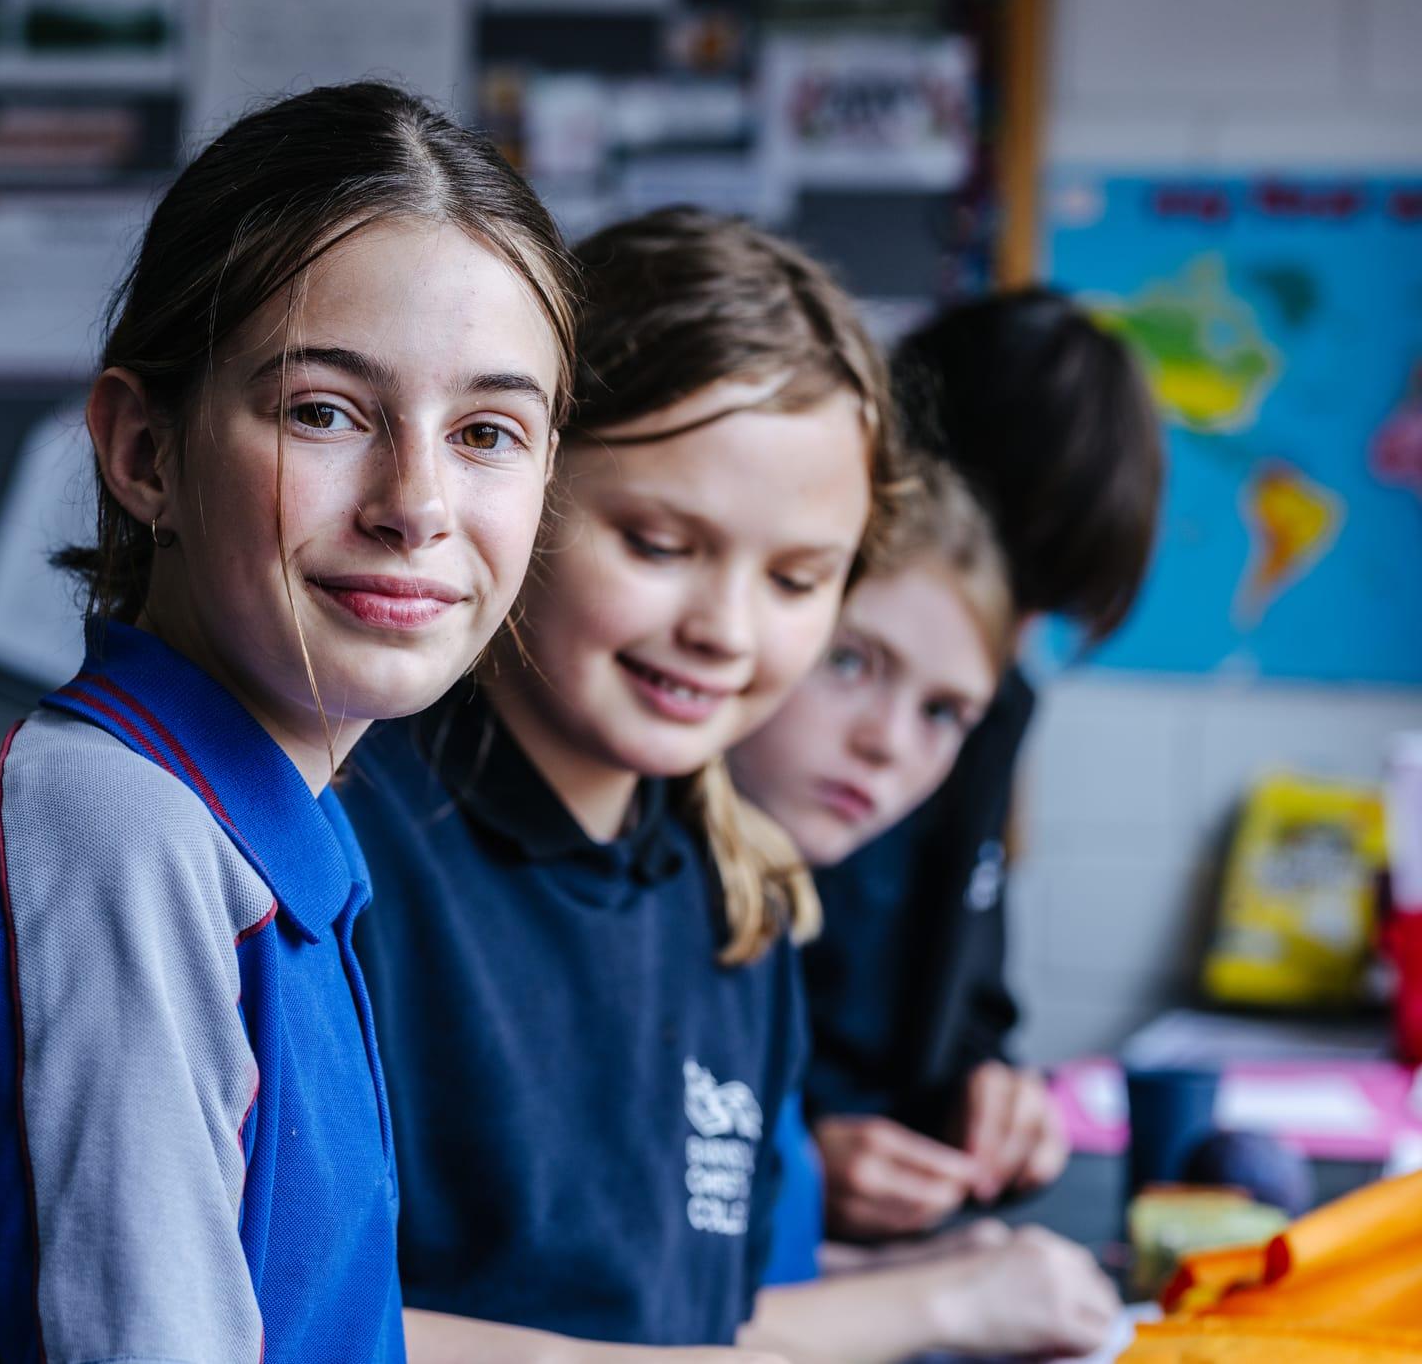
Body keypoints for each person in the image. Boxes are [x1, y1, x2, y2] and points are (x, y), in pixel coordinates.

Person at [0, 82, 579, 1364]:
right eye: (322, 410)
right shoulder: (123, 835)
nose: (418, 504)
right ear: (142, 452)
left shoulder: (267, 840)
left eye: (488, 432)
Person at [344, 207, 900, 1353]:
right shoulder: (346, 844)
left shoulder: (738, 902)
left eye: (798, 579)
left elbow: (708, 1327)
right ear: (521, 484)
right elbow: (269, 1317)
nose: (724, 630)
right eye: (656, 545)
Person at [790, 291, 1165, 1241]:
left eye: (948, 708)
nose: (999, 647)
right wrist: (788, 1164)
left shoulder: (994, 703)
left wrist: (992, 1086)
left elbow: (968, 970)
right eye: (857, 662)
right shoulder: (761, 713)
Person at [731, 457, 1123, 1362]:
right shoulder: (669, 908)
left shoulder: (763, 908)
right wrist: (940, 1298)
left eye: (944, 712)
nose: (886, 743)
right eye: (850, 662)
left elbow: (715, 1284)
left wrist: (921, 1271)